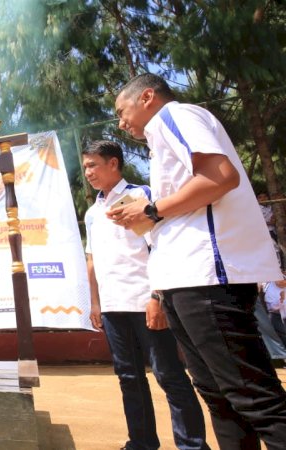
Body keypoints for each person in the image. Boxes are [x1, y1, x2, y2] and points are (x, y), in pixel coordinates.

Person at [110, 73, 286, 448]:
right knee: (219, 397)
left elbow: (221, 177)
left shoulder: (177, 116)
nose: (121, 123)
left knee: (255, 399)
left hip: (206, 279)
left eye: (121, 111)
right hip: (183, 282)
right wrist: (148, 217)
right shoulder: (161, 141)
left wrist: (153, 209)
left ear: (147, 98)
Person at [83, 140, 207, 450]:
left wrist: (157, 297)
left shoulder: (141, 196)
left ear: (113, 163)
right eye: (85, 166)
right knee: (129, 379)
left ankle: (192, 445)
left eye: (93, 165)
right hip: (112, 308)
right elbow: (92, 261)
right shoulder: (92, 212)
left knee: (169, 376)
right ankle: (141, 443)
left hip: (144, 302)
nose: (88, 172)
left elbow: (161, 247)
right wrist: (96, 303)